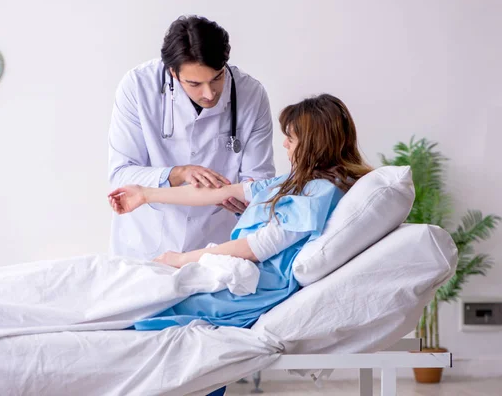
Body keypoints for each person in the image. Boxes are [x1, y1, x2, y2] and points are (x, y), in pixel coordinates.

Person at [108, 94, 373, 331]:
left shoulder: (320, 192)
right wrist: (145, 194)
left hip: (257, 287)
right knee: (135, 292)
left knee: (151, 308)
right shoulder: (291, 182)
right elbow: (221, 192)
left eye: (290, 138)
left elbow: (258, 247)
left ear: (315, 144)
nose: (284, 145)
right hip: (245, 274)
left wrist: (181, 259)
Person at [108, 15, 275, 261]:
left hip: (215, 246)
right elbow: (120, 177)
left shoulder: (251, 94)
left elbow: (260, 185)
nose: (209, 93)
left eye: (217, 78)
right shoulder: (137, 87)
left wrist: (246, 198)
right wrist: (179, 173)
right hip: (146, 244)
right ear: (172, 72)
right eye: (195, 83)